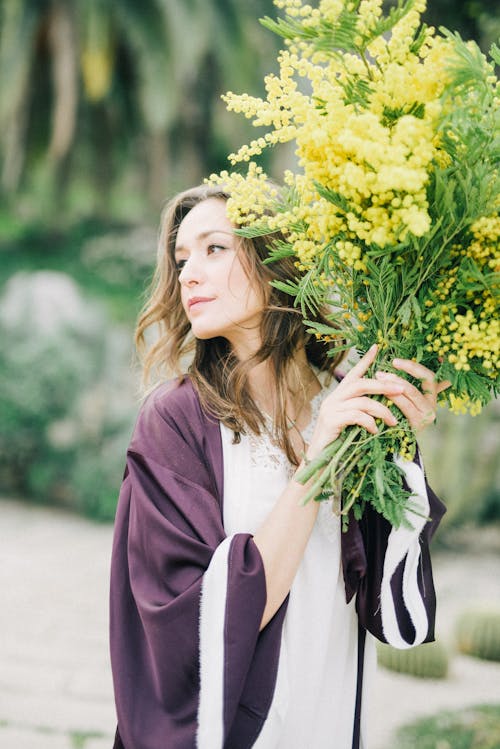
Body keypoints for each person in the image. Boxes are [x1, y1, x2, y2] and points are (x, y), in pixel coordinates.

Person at [109, 184, 447, 749]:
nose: (189, 274)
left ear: (278, 260)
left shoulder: (346, 402)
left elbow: (393, 612)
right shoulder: (175, 423)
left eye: (214, 248)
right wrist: (318, 460)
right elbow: (189, 626)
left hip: (329, 711)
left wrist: (400, 444)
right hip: (241, 728)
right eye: (182, 259)